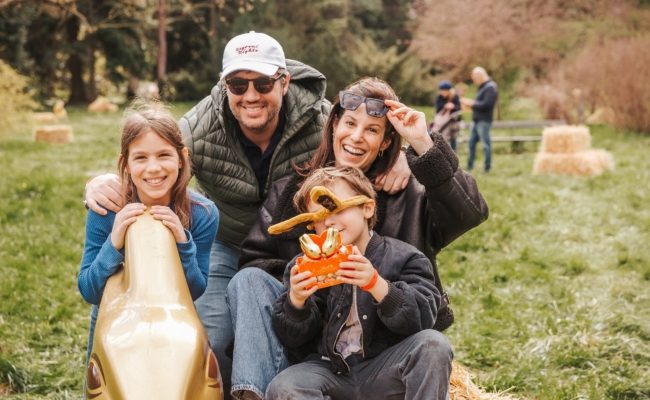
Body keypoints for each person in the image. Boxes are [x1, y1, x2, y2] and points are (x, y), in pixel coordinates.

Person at [82, 32, 410, 399]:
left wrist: (397, 154)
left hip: (287, 244)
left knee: (285, 315)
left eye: (263, 83)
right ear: (225, 87)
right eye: (238, 84)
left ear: (284, 82)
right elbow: (152, 151)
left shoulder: (318, 120)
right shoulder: (198, 128)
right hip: (221, 239)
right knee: (214, 339)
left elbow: (359, 132)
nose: (250, 95)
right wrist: (104, 181)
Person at [227, 77, 488, 399]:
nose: (356, 137)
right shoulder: (291, 192)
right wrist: (302, 292)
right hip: (319, 346)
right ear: (334, 124)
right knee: (247, 279)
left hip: (390, 340)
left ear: (386, 142)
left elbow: (470, 213)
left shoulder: (409, 188)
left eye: (372, 130)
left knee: (429, 346)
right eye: (349, 123)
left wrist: (421, 147)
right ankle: (255, 393)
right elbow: (257, 261)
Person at [266, 166, 453, 399]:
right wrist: (296, 302)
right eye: (319, 218)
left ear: (367, 207)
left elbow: (422, 319)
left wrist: (377, 285)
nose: (329, 222)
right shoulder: (301, 267)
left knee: (433, 345)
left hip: (385, 369)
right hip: (330, 370)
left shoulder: (406, 257)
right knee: (284, 386)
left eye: (336, 209)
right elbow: (292, 339)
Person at [78, 104, 218, 363]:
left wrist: (182, 241)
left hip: (172, 319)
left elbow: (196, 289)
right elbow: (89, 289)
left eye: (164, 155)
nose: (153, 168)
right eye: (141, 158)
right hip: (114, 317)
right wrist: (115, 242)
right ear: (126, 164)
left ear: (181, 157)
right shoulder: (106, 210)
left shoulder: (203, 213)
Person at [461, 66, 498, 172]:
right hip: (476, 120)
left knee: (486, 145)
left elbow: (487, 104)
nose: (474, 81)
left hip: (484, 121)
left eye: (475, 79)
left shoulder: (490, 87)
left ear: (480, 76)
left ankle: (487, 167)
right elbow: (480, 104)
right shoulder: (483, 87)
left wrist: (471, 103)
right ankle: (470, 166)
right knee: (471, 144)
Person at [432, 79, 462, 151]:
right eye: (442, 90)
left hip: (453, 121)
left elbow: (459, 108)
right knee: (442, 137)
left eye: (445, 91)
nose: (443, 92)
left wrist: (453, 107)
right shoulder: (439, 97)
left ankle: (454, 152)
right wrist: (445, 106)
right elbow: (438, 109)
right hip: (443, 122)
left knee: (453, 138)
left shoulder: (455, 97)